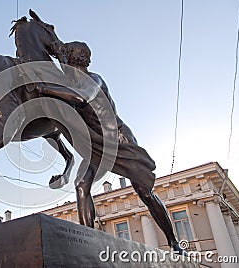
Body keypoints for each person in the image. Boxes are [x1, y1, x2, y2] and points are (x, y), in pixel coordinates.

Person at [36, 41, 184, 253]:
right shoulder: (72, 80)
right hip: (98, 142)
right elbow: (63, 75)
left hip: (119, 138)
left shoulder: (93, 80)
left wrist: (42, 88)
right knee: (82, 184)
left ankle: (174, 243)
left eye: (65, 57)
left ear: (72, 59)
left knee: (145, 192)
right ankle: (89, 243)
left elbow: (80, 98)